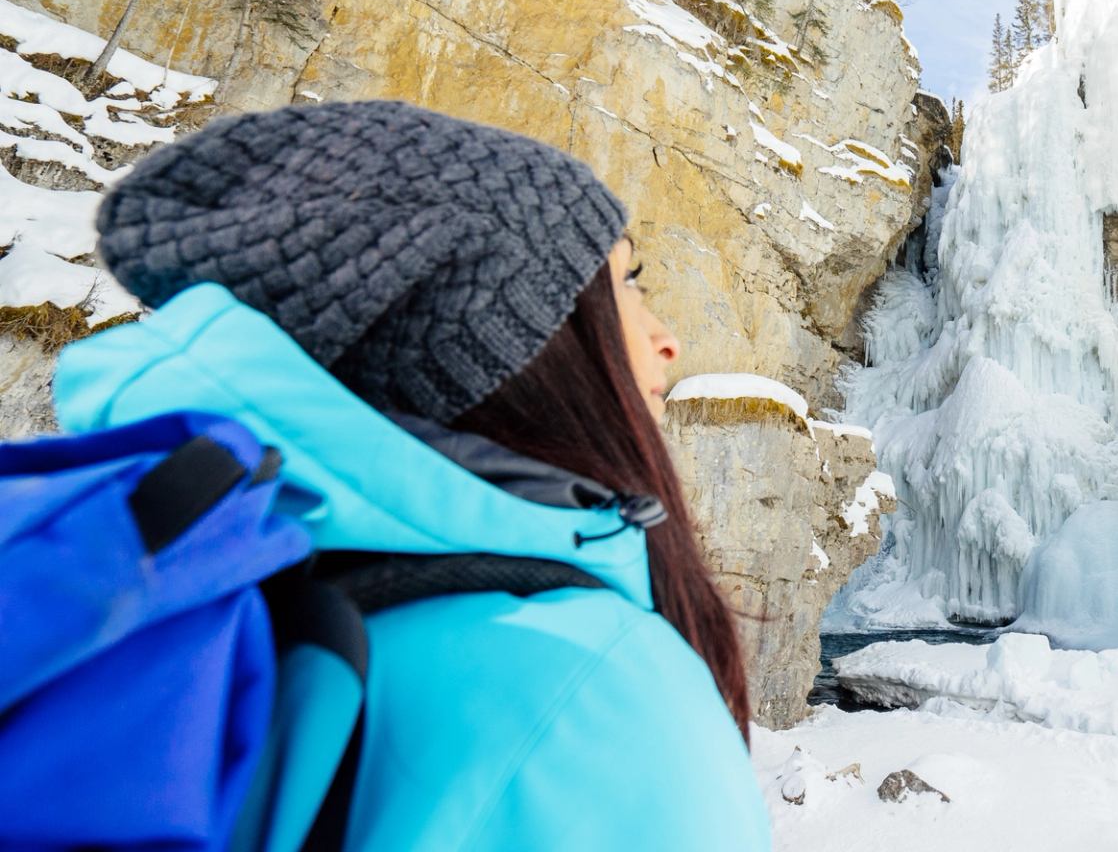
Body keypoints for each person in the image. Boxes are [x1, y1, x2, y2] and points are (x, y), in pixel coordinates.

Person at [56, 99, 773, 850]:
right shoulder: (592, 687)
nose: (668, 339)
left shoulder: (222, 590)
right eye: (627, 283)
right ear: (514, 350)